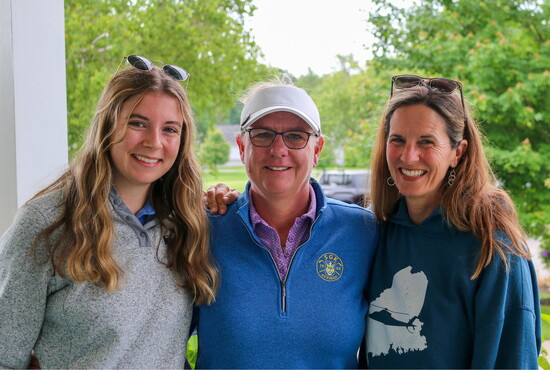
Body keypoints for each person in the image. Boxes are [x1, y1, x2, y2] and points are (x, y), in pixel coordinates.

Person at [0, 55, 219, 369]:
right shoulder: (46, 223)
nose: (154, 142)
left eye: (170, 129)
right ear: (107, 125)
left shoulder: (188, 223)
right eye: (137, 123)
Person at [194, 77, 379, 369]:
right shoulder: (203, 230)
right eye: (263, 135)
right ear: (242, 147)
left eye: (296, 136)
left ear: (317, 150)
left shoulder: (363, 232)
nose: (278, 149)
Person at [364, 74, 541, 368]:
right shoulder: (376, 234)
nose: (409, 156)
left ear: (457, 153)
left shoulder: (493, 246)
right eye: (397, 140)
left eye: (426, 142)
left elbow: (514, 358)